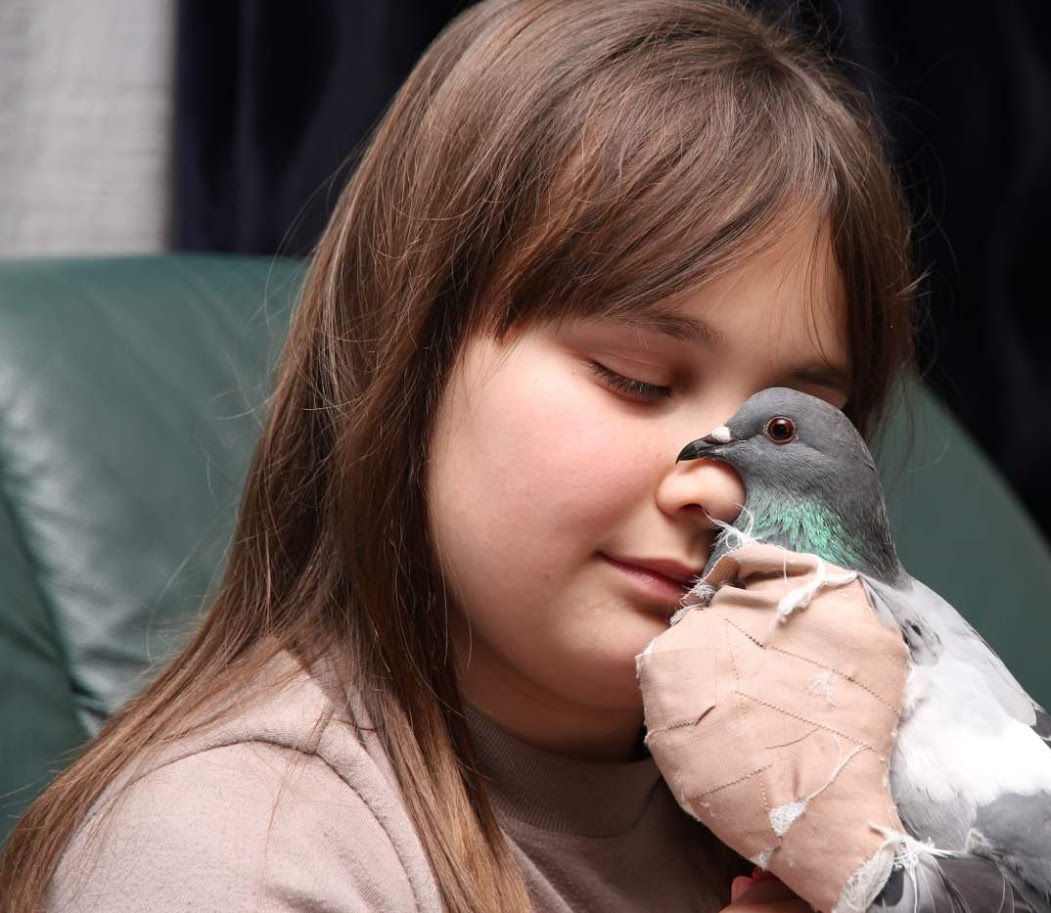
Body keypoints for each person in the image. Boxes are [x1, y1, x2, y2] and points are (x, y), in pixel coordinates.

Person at [0, 0, 918, 910]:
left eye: (800, 424)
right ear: (410, 362)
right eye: (634, 377)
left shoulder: (878, 819)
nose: (722, 489)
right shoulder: (230, 858)